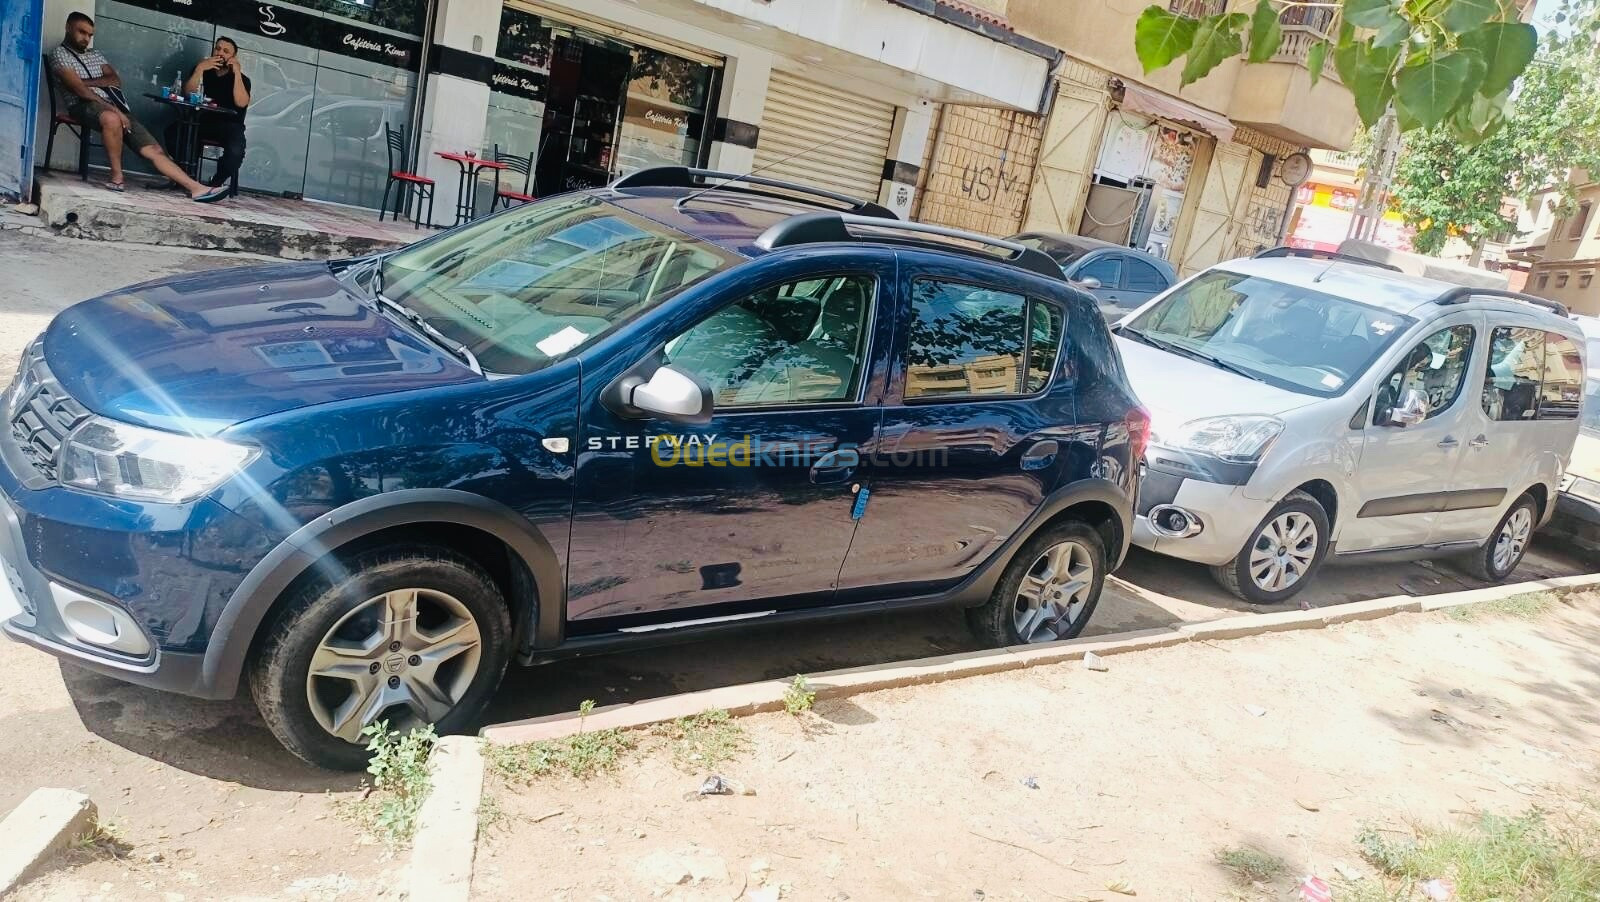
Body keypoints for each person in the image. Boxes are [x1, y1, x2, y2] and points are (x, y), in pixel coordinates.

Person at [49, 11, 228, 203]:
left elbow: (115, 80)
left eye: (90, 35)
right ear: (68, 27)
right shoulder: (59, 54)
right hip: (83, 105)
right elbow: (79, 90)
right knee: (112, 119)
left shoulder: (95, 54)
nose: (86, 38)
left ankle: (197, 189)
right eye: (81, 32)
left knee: (153, 149)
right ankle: (117, 178)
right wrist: (110, 103)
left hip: (114, 107)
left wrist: (87, 82)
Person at [166, 36, 250, 189]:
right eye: (217, 48)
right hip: (201, 121)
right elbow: (187, 93)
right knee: (172, 134)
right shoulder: (204, 69)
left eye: (226, 51)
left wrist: (237, 73)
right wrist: (199, 69)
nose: (220, 53)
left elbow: (242, 102)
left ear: (233, 56)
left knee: (236, 152)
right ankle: (188, 177)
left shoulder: (242, 78)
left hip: (229, 125)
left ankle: (215, 184)